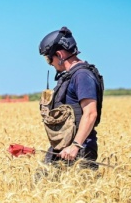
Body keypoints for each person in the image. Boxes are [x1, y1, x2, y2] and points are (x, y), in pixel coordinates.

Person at [38, 26, 104, 170]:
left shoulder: (82, 76)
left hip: (79, 150)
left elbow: (91, 113)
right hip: (64, 149)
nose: (51, 64)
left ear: (60, 55)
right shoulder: (70, 76)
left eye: (50, 59)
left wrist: (75, 146)